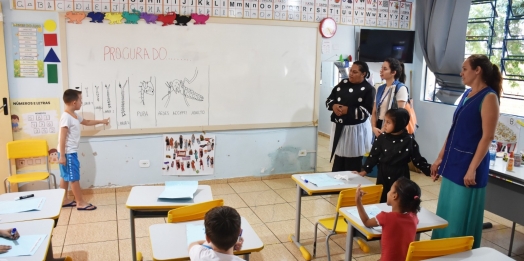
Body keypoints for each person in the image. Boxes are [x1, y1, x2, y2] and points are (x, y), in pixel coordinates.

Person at [430, 54, 501, 248]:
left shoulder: (489, 97)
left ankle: (458, 252)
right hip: (453, 161)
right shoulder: (466, 94)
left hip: (470, 165)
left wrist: (472, 169)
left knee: (460, 216)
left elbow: (487, 137)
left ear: (477, 70)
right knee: (446, 211)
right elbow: (454, 130)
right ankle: (440, 250)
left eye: (465, 69)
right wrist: (439, 158)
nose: (461, 73)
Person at [356, 108, 431, 202]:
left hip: (400, 175)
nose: (384, 125)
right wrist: (364, 171)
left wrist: (430, 170)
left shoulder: (409, 140)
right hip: (383, 173)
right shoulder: (382, 138)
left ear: (399, 124)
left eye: (388, 122)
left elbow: (418, 160)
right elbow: (373, 156)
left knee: (399, 199)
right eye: (385, 121)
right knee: (383, 198)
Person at [59, 89, 109, 211]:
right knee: (74, 178)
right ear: (74, 102)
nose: (82, 102)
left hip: (68, 152)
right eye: (81, 100)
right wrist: (62, 156)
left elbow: (86, 122)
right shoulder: (66, 117)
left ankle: (63, 200)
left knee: (65, 176)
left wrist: (101, 121)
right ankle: (80, 202)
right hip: (68, 153)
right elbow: (62, 136)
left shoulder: (74, 115)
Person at [355, 177, 421, 261]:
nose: (388, 192)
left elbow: (366, 222)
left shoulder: (385, 217)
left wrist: (358, 201)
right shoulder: (413, 216)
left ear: (395, 196)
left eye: (390, 190)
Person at [326, 61, 375, 172]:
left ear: (363, 74)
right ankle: (336, 186)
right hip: (339, 127)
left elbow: (367, 111)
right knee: (338, 161)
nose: (350, 74)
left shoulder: (368, 89)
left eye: (355, 72)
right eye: (350, 71)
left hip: (355, 132)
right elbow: (329, 100)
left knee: (352, 163)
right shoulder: (342, 84)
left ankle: (351, 187)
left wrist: (347, 110)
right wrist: (334, 106)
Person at [372, 57, 409, 137]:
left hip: (391, 128)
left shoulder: (401, 88)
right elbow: (374, 111)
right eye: (382, 68)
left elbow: (399, 115)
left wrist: (383, 129)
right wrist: (374, 127)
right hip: (378, 125)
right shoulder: (380, 88)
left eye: (385, 69)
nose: (381, 70)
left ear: (393, 72)